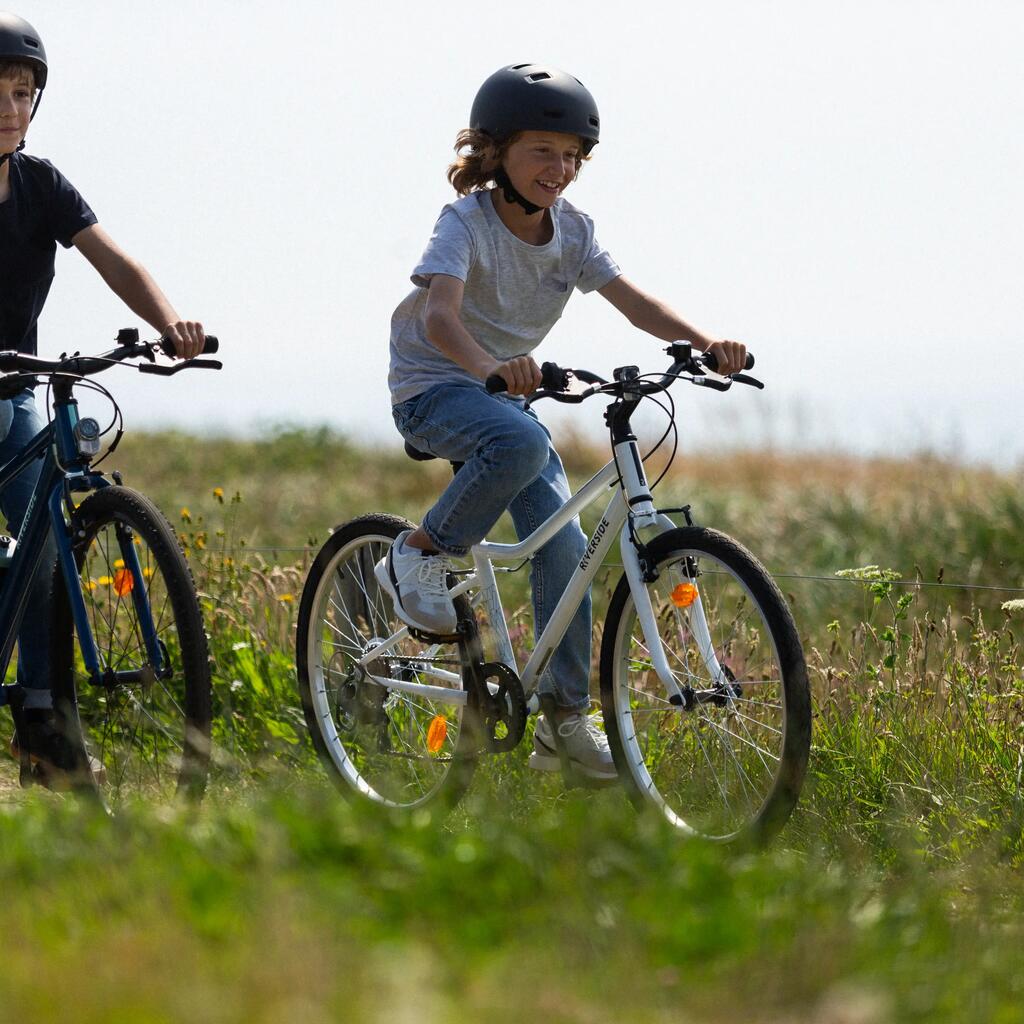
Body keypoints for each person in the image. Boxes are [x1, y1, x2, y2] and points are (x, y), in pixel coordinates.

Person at [376, 63, 749, 782]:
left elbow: (636, 304)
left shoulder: (573, 233)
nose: (561, 168)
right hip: (435, 388)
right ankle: (418, 551)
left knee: (565, 544)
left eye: (573, 155)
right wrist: (490, 365)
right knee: (517, 438)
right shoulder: (466, 222)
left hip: (503, 397)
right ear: (496, 152)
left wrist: (707, 344)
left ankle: (564, 722)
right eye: (543, 150)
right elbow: (439, 316)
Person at [0, 11, 205, 784]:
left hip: (16, 386)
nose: (12, 109)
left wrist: (168, 322)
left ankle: (43, 716)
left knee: (47, 533)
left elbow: (113, 259)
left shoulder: (41, 184)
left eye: (23, 93)